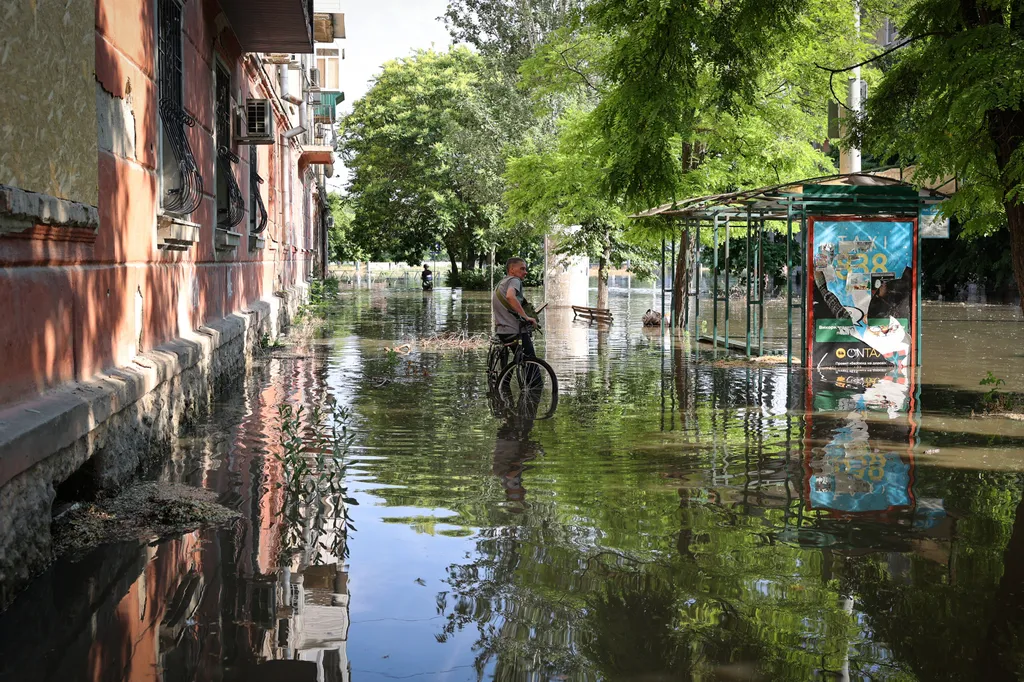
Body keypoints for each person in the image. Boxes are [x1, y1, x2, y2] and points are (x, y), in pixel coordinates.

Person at [492, 257, 537, 358]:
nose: (525, 272)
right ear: (512, 269)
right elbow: (510, 296)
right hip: (515, 331)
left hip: (501, 332)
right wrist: (526, 317)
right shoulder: (515, 280)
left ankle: (505, 374)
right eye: (522, 269)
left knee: (513, 363)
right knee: (531, 364)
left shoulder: (501, 283)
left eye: (525, 269)